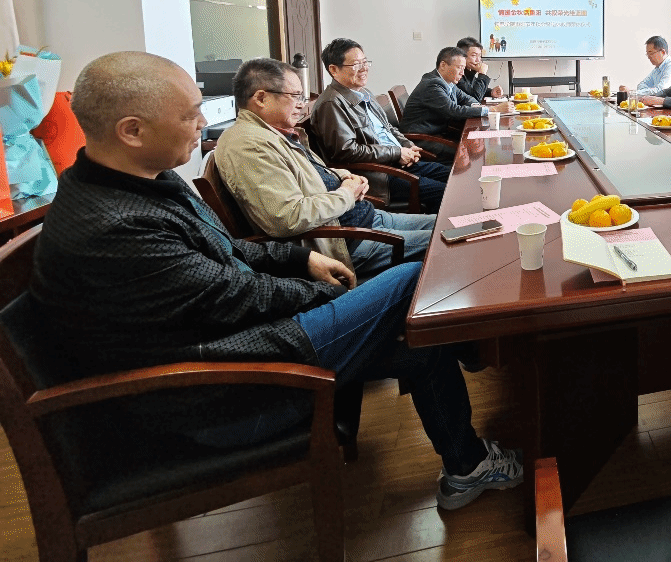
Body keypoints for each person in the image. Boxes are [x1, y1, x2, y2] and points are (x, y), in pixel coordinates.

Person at [30, 52, 522, 509]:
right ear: (132, 131)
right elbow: (232, 294)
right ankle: (491, 351)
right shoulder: (113, 227)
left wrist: (300, 259)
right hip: (222, 391)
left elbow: (225, 251)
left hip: (238, 346)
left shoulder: (138, 181)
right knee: (414, 275)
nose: (203, 124)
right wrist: (324, 294)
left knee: (422, 345)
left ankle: (467, 466)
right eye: (191, 115)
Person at [217, 58, 435, 280]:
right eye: (295, 96)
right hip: (344, 240)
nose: (302, 104)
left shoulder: (272, 132)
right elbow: (288, 218)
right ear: (261, 98)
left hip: (360, 218)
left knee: (445, 222)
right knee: (446, 238)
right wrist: (347, 193)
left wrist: (345, 176)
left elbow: (310, 172)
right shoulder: (248, 145)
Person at [309, 38, 450, 213]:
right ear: (333, 70)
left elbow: (388, 128)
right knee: (445, 192)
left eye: (365, 62)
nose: (364, 69)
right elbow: (347, 151)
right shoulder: (331, 103)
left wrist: (407, 146)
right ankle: (437, 229)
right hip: (381, 175)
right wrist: (397, 152)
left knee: (452, 175)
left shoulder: (364, 92)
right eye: (356, 64)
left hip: (397, 161)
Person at [402, 47, 510, 150]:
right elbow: (454, 110)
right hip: (423, 139)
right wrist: (492, 109)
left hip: (439, 132)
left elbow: (467, 98)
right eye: (459, 67)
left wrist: (479, 107)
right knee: (471, 149)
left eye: (463, 68)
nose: (462, 73)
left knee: (479, 141)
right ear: (443, 65)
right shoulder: (433, 85)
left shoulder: (448, 82)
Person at [455, 36, 504, 102]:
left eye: (479, 56)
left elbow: (473, 89)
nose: (478, 60)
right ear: (461, 56)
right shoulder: (456, 74)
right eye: (474, 55)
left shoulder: (469, 71)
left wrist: (490, 92)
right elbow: (474, 99)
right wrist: (482, 74)